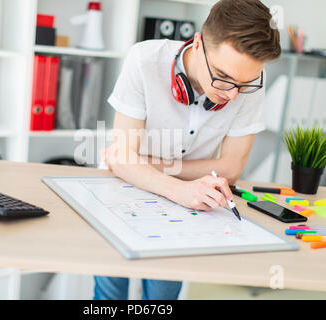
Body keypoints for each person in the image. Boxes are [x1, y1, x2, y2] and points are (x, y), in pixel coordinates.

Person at [94, 0, 281, 300]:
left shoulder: (250, 80)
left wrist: (140, 163)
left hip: (188, 201)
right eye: (223, 76)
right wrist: (176, 187)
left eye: (243, 84)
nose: (232, 94)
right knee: (109, 293)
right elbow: (122, 163)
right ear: (197, 44)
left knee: (163, 294)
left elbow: (231, 169)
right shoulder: (144, 60)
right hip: (124, 190)